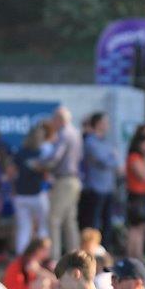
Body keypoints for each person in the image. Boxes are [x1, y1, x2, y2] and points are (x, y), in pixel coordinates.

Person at [45, 106, 83, 259]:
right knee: (70, 221)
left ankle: (54, 258)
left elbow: (55, 157)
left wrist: (39, 164)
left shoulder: (63, 134)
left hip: (64, 180)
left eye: (54, 119)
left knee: (54, 219)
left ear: (59, 120)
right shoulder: (76, 133)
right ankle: (75, 256)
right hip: (74, 180)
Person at [11, 125, 49, 252]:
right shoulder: (41, 153)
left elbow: (12, 173)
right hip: (36, 194)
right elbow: (46, 175)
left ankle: (23, 256)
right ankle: (42, 255)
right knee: (42, 228)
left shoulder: (21, 152)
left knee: (24, 228)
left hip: (22, 194)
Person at [81, 112, 118, 234]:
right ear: (98, 124)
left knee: (107, 222)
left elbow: (113, 159)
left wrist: (112, 159)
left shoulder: (106, 142)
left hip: (108, 188)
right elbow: (104, 161)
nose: (107, 125)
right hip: (95, 188)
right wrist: (112, 158)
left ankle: (105, 250)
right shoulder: (90, 142)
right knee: (94, 222)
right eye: (105, 122)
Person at [124, 127, 145, 259]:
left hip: (144, 195)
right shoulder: (134, 157)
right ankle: (132, 256)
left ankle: (139, 256)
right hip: (136, 195)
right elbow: (144, 175)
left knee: (141, 228)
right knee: (134, 228)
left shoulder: (143, 157)